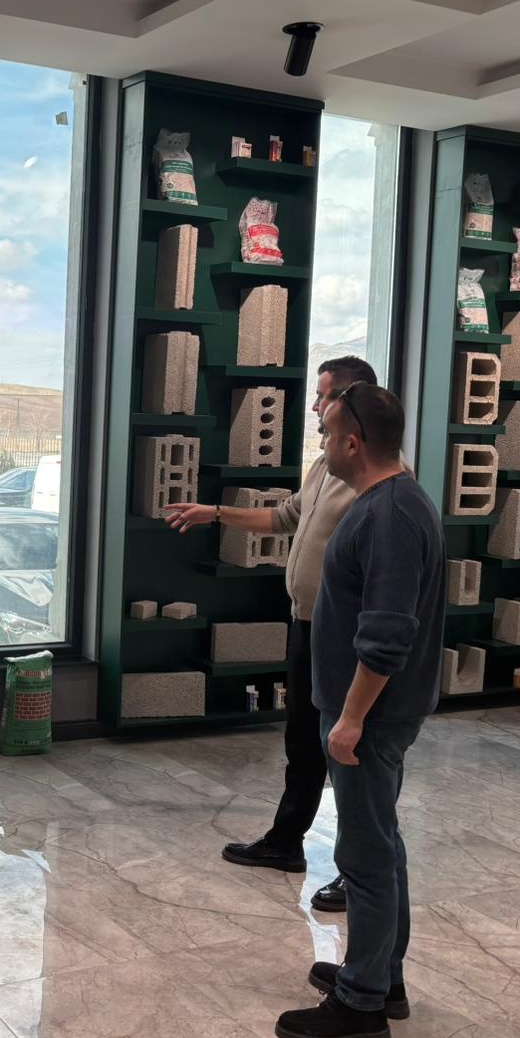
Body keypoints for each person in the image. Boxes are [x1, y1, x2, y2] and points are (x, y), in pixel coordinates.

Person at [164, 355, 380, 914]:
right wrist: (215, 513)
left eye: (323, 396)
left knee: (351, 753)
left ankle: (358, 873)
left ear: (350, 401)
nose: (315, 406)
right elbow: (285, 517)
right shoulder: (325, 464)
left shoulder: (376, 480)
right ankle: (286, 842)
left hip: (345, 636)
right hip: (307, 624)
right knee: (302, 743)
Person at [273, 382, 444, 1038]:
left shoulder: (390, 514)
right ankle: (381, 977)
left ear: (353, 442)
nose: (321, 443)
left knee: (365, 855)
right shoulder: (390, 503)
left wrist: (349, 721)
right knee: (381, 845)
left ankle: (362, 1004)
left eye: (327, 433)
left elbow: (387, 636)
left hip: (369, 718)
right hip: (367, 713)